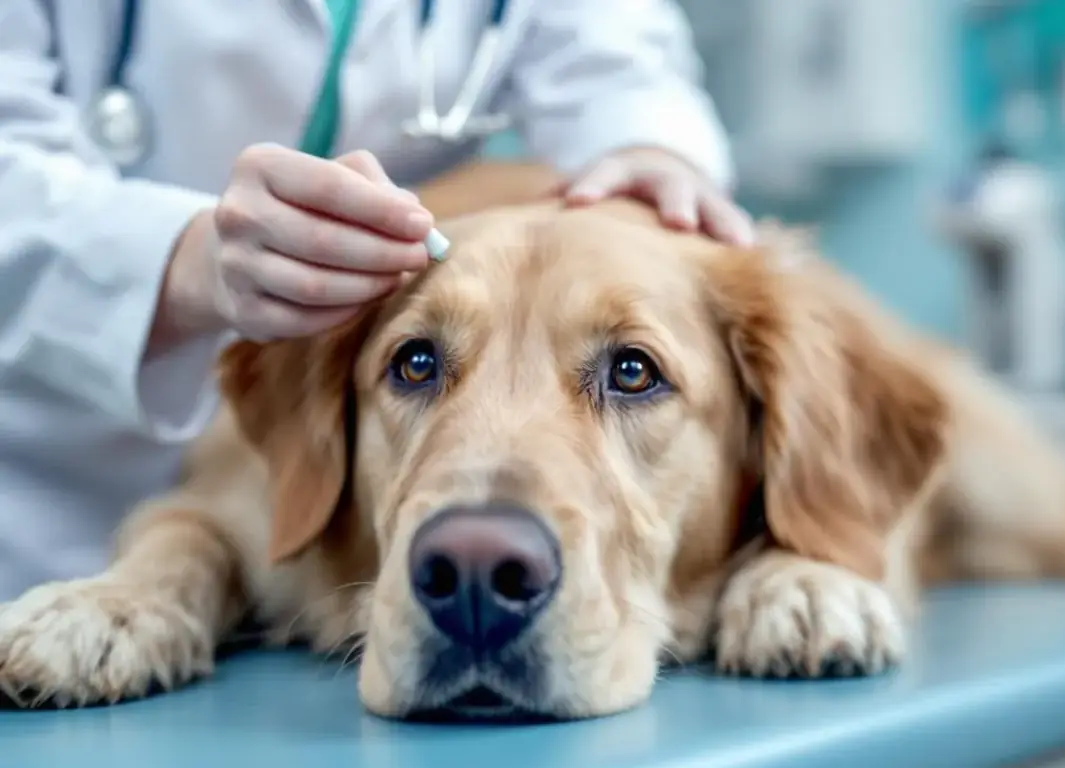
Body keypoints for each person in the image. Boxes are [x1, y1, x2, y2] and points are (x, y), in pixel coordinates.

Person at [0, 0, 754, 601]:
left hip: (335, 522)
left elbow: (618, 63)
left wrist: (654, 154)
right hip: (33, 496)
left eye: (630, 373)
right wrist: (184, 261)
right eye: (421, 363)